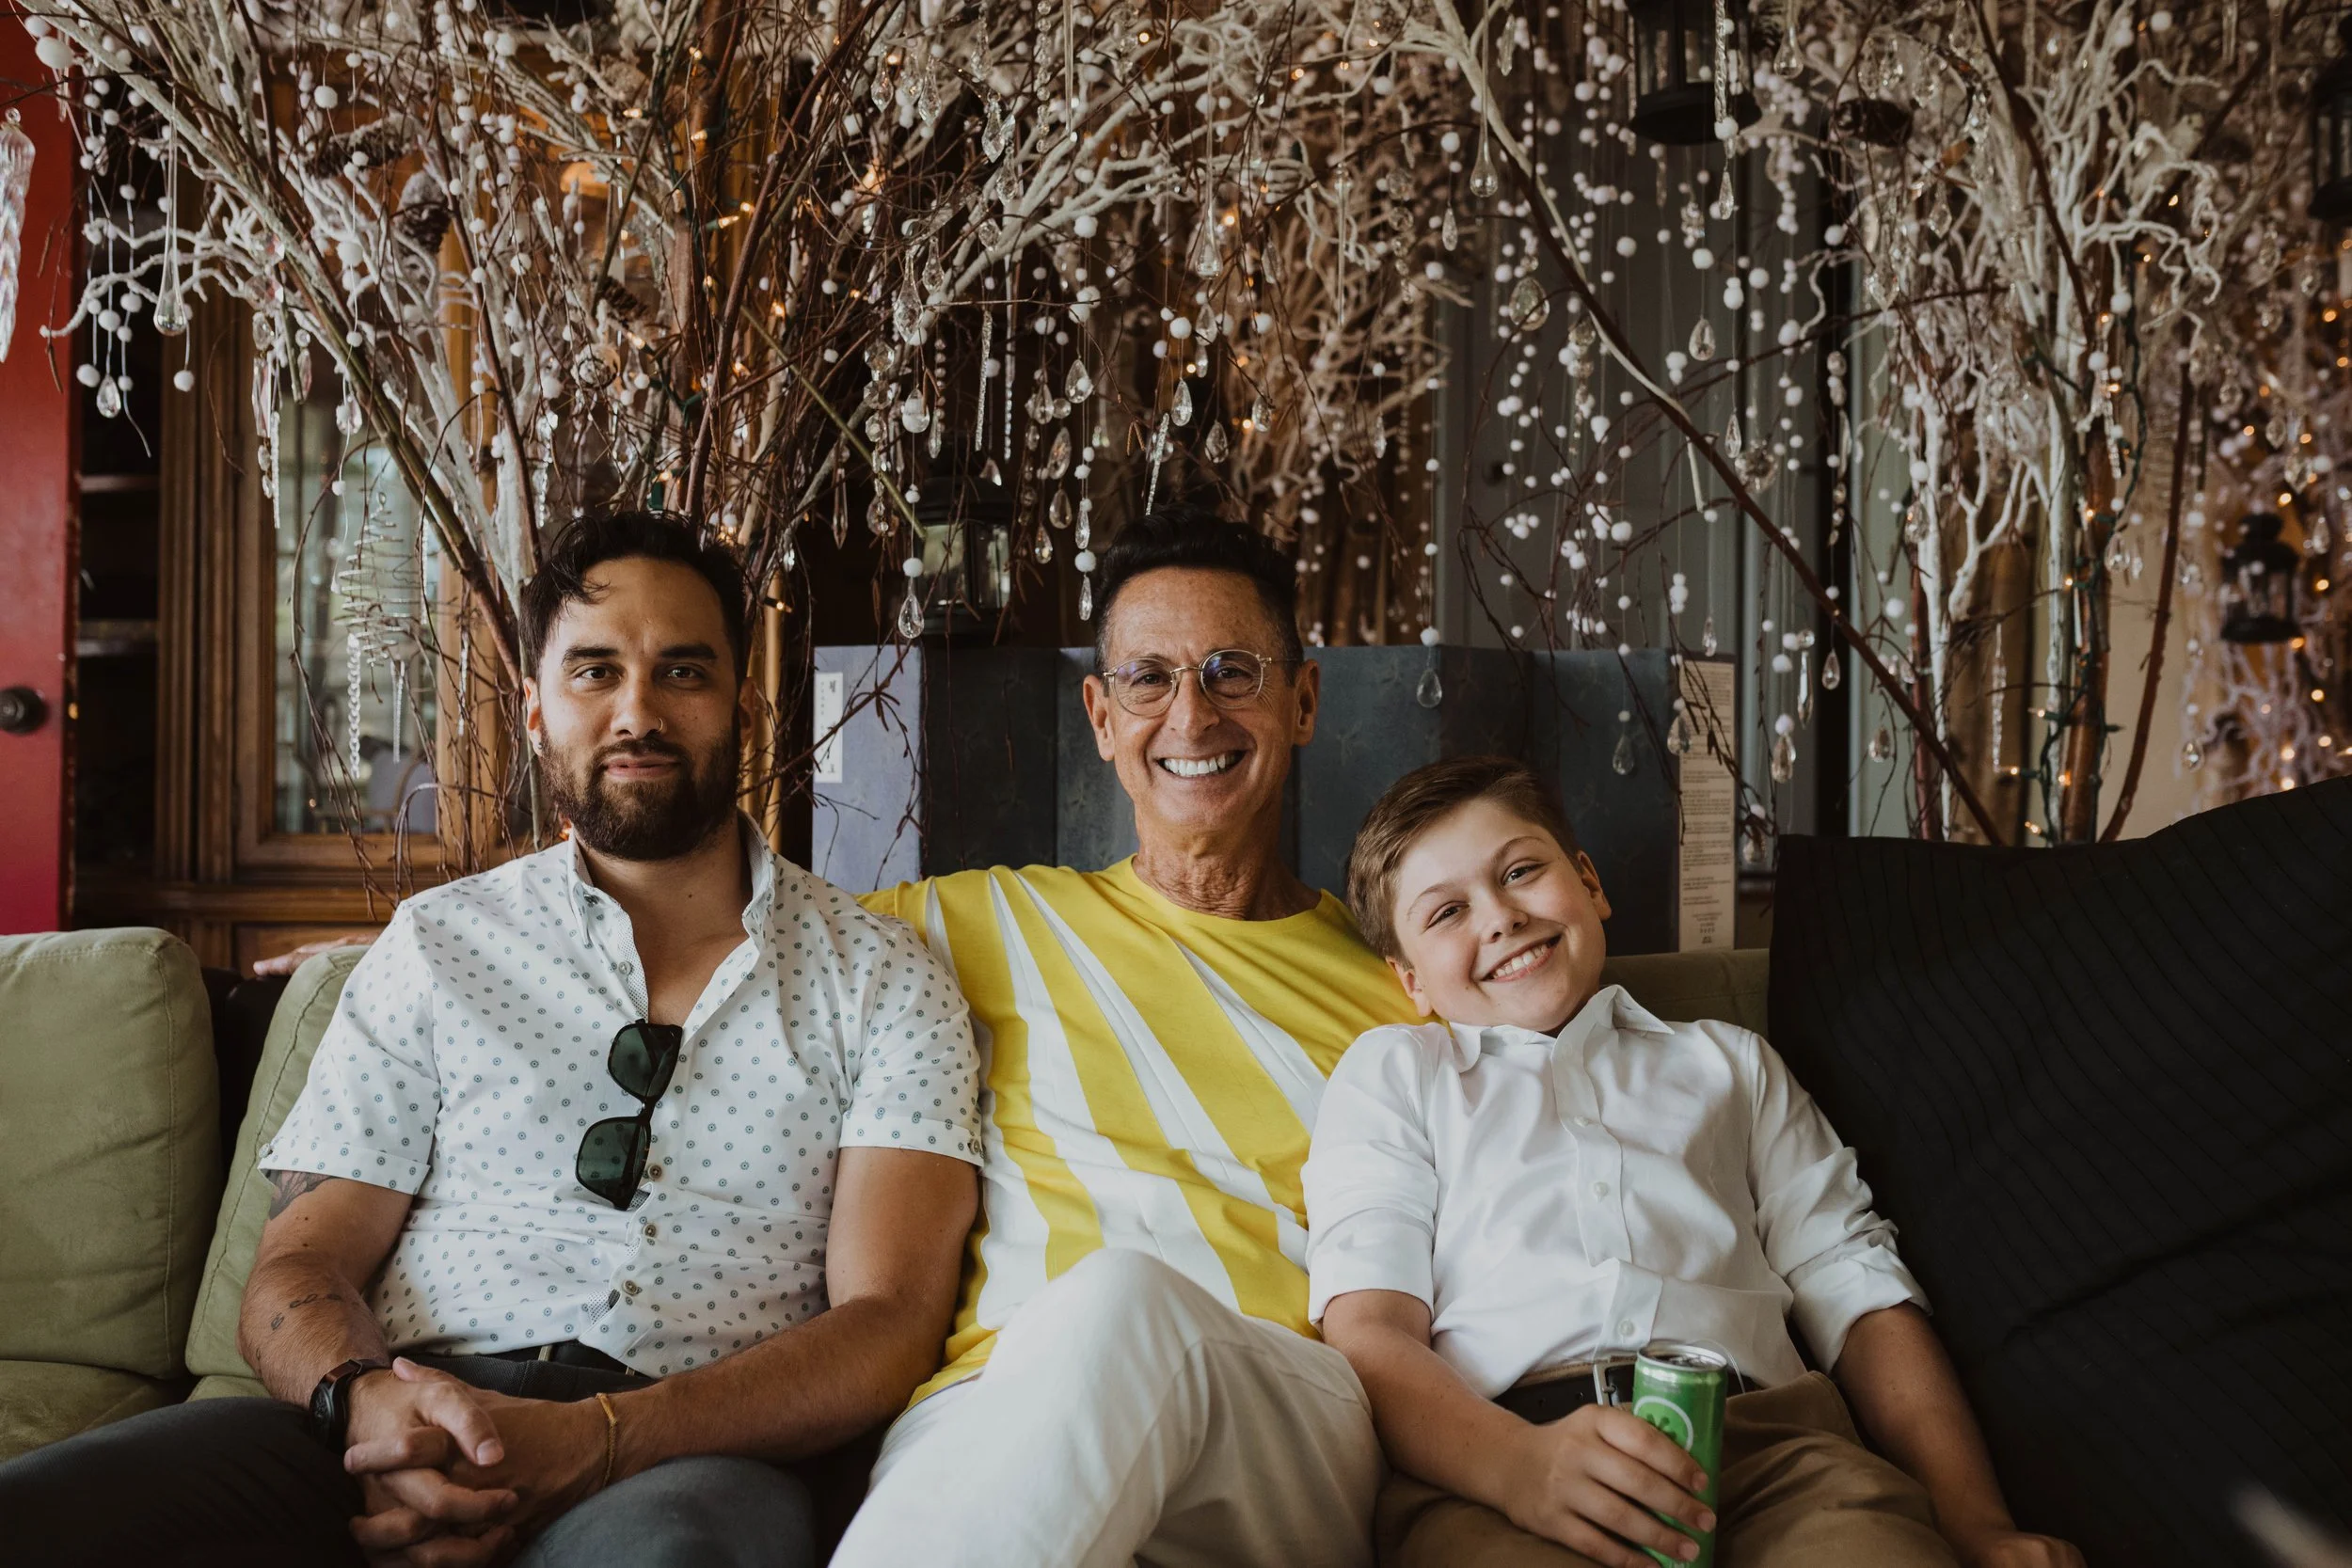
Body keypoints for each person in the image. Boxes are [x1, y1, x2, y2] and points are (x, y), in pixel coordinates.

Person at [0, 511, 984, 1568]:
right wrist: (368, 1400)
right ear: (533, 709)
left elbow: (886, 1323)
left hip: (687, 1451)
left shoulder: (881, 974)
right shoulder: (438, 943)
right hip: (395, 1414)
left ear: (742, 703)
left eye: (683, 671)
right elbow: (303, 1259)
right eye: (595, 670)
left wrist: (598, 1438)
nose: (637, 711)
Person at [1305, 756, 2087, 1568]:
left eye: (1522, 870)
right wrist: (1516, 1466)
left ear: (1589, 882)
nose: (1499, 916)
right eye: (1447, 913)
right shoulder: (1397, 1071)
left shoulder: (1731, 1064)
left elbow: (1858, 1289)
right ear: (1409, 979)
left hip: (1775, 1457)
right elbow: (1368, 1333)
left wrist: (1975, 1518)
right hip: (1499, 1465)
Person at [827, 505, 1423, 1568]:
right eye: (1148, 678)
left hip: (1284, 1428)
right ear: (1101, 716)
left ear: (1303, 699)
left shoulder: (1406, 988)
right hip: (993, 1411)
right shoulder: (976, 924)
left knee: (1119, 1295)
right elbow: (732, 947)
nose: (1189, 715)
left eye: (1232, 669)